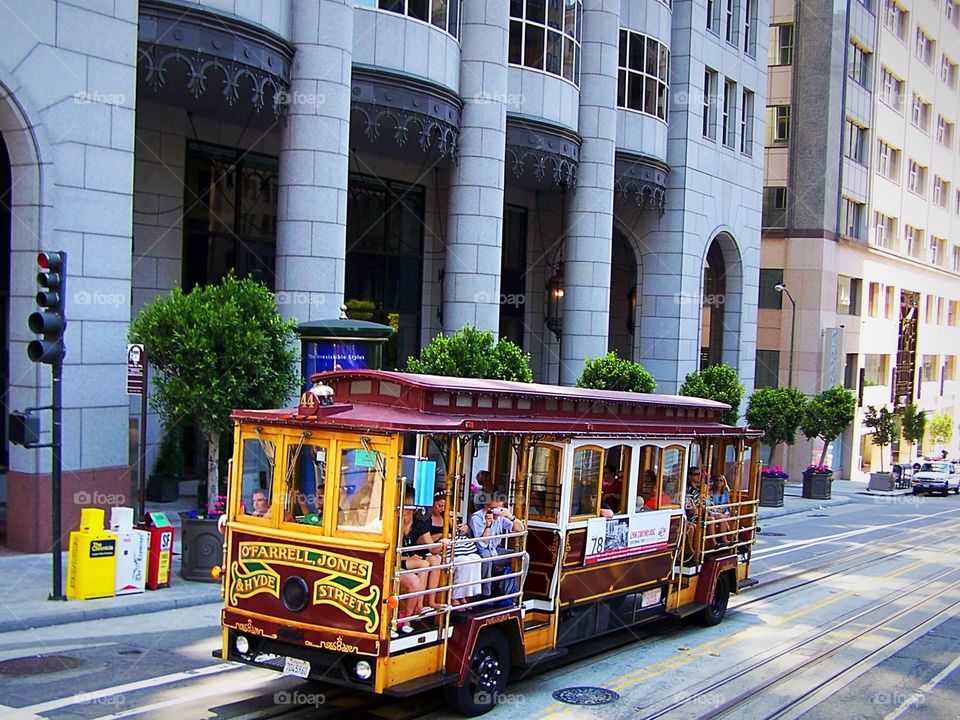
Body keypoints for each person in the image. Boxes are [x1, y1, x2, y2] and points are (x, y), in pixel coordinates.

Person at [398, 488, 443, 628]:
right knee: (423, 564)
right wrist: (411, 558)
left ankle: (429, 602)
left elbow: (432, 548)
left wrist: (443, 541)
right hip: (399, 560)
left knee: (435, 560)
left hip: (411, 558)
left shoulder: (419, 524)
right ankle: (417, 607)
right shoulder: (395, 524)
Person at [469, 494, 527, 597]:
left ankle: (516, 590)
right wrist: (488, 525)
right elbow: (482, 544)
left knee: (523, 556)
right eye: (493, 509)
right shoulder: (477, 518)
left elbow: (521, 529)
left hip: (495, 549)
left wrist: (510, 516)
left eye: (499, 509)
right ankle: (486, 595)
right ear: (486, 507)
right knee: (486, 558)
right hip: (479, 550)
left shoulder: (500, 517)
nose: (496, 512)